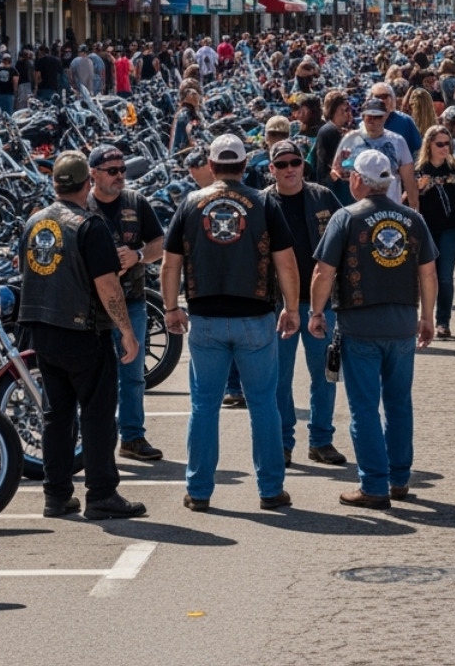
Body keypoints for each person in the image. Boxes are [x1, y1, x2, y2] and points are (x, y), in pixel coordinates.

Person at [162, 134, 299, 512]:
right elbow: (285, 261)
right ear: (243, 165)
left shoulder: (191, 203)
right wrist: (292, 307)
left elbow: (170, 263)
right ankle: (271, 489)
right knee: (263, 405)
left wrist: (172, 307)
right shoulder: (263, 202)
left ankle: (199, 490)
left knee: (204, 406)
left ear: (210, 164)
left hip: (206, 317)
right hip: (255, 316)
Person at [308, 150, 438, 510]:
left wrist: (316, 312)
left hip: (359, 324)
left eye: (352, 175)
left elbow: (323, 272)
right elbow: (427, 272)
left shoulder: (346, 217)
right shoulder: (412, 218)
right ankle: (398, 478)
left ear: (360, 181)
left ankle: (374, 485)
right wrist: (427, 317)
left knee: (364, 409)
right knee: (399, 405)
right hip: (401, 324)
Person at [19, 152, 146, 520]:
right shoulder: (89, 225)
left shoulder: (35, 222)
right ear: (87, 184)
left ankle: (56, 495)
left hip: (42, 329)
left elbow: (24, 269)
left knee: (56, 415)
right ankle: (102, 493)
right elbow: (108, 285)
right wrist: (127, 331)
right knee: (97, 413)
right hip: (82, 330)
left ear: (56, 183)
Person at [262, 139, 346, 467]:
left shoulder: (322, 196)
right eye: (281, 165)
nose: (289, 169)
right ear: (272, 170)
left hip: (320, 304)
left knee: (325, 375)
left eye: (294, 162)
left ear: (302, 164)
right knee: (279, 379)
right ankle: (283, 442)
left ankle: (321, 440)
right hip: (277, 305)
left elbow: (346, 239)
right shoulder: (263, 203)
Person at [86, 145, 166, 463]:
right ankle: (94, 439)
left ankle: (132, 437)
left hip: (132, 300)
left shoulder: (136, 202)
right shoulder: (83, 204)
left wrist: (138, 256)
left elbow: (160, 243)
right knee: (94, 376)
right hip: (91, 305)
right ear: (93, 174)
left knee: (132, 374)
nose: (121, 176)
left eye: (123, 170)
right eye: (113, 171)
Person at [415, 125, 455, 340]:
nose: (444, 148)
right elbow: (405, 201)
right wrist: (418, 190)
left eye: (448, 144)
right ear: (429, 145)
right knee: (424, 276)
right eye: (440, 144)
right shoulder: (418, 170)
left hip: (450, 229)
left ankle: (443, 322)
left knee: (445, 277)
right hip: (425, 230)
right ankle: (423, 319)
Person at [332, 98, 419, 208]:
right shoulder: (350, 139)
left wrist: (414, 209)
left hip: (390, 207)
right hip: (357, 208)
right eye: (369, 117)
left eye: (378, 117)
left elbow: (409, 180)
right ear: (363, 117)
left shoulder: (397, 141)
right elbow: (335, 173)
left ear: (385, 116)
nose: (373, 121)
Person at [0, 54, 17, 125]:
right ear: (10, 61)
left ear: (2, 60)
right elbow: (15, 82)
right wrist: (15, 92)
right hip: (9, 94)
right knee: (8, 114)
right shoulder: (13, 70)